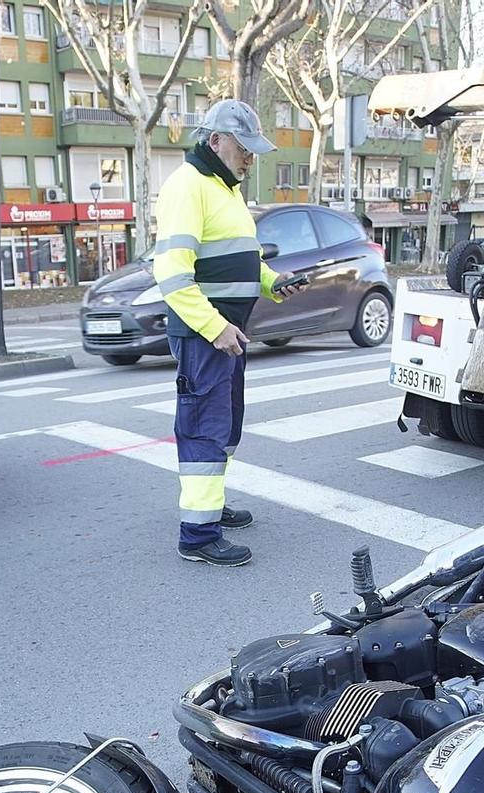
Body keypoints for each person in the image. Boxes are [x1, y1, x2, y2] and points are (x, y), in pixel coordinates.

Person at [152, 99, 306, 567]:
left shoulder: (224, 188)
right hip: (207, 332)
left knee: (225, 424)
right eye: (245, 148)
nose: (251, 159)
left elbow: (240, 259)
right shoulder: (188, 186)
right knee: (204, 426)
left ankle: (211, 507)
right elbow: (172, 274)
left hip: (225, 332)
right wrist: (216, 327)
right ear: (216, 140)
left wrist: (272, 282)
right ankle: (197, 536)